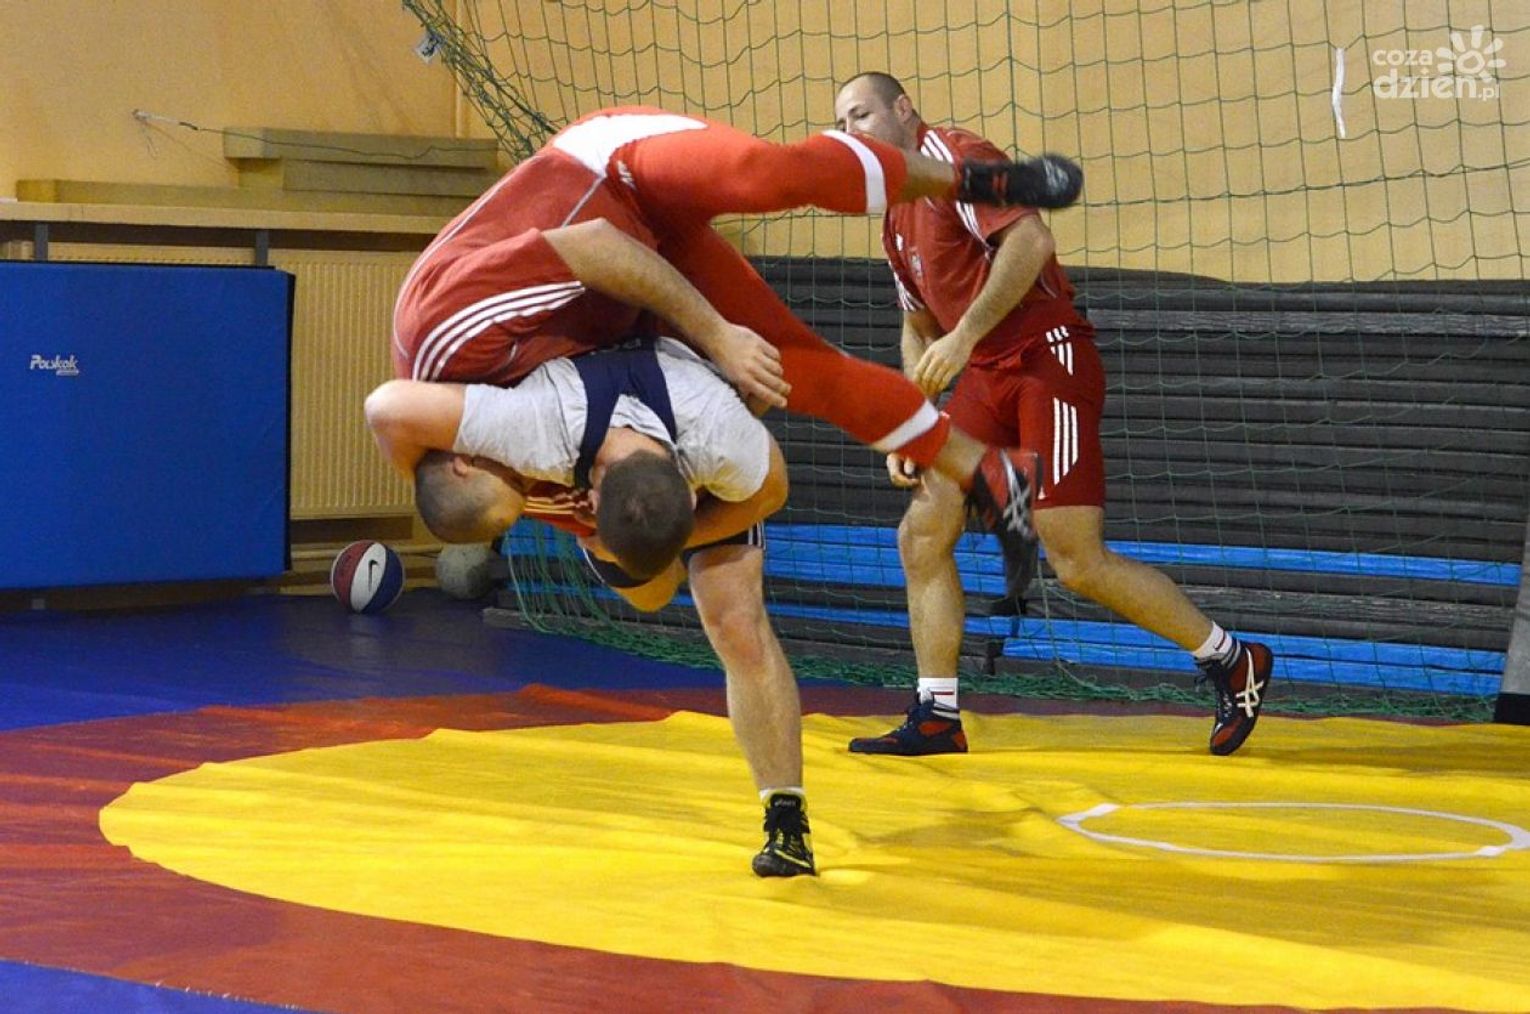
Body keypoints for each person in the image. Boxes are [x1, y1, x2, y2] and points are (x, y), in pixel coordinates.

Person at [391, 105, 1088, 566]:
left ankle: (974, 180)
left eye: (511, 472)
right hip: (645, 295)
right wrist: (663, 538)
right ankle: (989, 473)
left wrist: (720, 340)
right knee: (802, 371)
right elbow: (651, 549)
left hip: (609, 177)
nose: (532, 475)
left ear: (463, 455)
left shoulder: (443, 333)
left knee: (765, 175)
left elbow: (594, 244)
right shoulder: (525, 484)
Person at [832, 73, 1274, 758]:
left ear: (903, 109)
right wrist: (913, 421)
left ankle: (1230, 657)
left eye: (860, 115)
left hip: (1047, 358)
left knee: (1075, 559)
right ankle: (937, 714)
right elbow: (917, 328)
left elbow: (1031, 241)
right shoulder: (894, 216)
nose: (850, 132)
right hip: (986, 376)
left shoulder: (956, 158)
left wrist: (965, 337)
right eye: (840, 125)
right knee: (922, 531)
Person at [366, 337, 814, 877]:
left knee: (735, 622)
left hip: (689, 436)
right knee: (651, 592)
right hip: (616, 444)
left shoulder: (719, 441)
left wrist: (674, 531)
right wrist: (437, 486)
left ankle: (785, 815)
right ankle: (632, 539)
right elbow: (387, 410)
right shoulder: (539, 425)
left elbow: (771, 490)